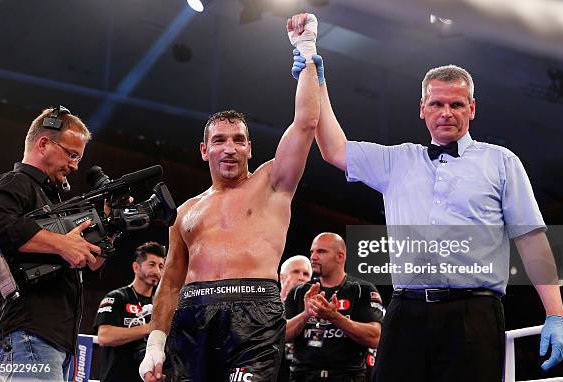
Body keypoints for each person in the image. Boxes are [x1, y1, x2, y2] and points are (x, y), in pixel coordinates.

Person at [291, 55, 563, 381]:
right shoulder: (396, 161)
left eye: (457, 104)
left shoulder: (501, 162)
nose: (446, 113)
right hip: (406, 311)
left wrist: (556, 314)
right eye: (437, 103)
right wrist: (317, 82)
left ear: (472, 109)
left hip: (474, 312)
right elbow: (333, 149)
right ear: (422, 108)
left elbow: (531, 239)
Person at [139, 13, 321, 382]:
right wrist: (155, 344)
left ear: (250, 148)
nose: (230, 148)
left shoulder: (272, 184)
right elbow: (171, 281)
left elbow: (306, 122)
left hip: (253, 314)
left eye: (239, 140)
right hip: (191, 317)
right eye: (220, 141)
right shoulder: (187, 211)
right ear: (204, 150)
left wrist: (306, 49)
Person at [0, 106, 103, 381]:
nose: (75, 165)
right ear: (43, 144)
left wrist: (111, 225)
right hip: (27, 335)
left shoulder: (53, 201)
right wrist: (61, 244)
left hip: (51, 341)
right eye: (71, 154)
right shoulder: (18, 182)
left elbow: (93, 263)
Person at [285, 233, 384, 382]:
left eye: (321, 251)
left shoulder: (362, 290)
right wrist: (306, 314)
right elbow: (281, 335)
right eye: (312, 251)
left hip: (347, 377)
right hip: (302, 376)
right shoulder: (298, 292)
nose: (313, 257)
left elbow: (376, 337)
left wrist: (335, 317)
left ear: (340, 256)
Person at [94, 241, 165, 382]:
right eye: (151, 264)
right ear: (136, 267)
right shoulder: (117, 297)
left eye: (161, 266)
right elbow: (104, 336)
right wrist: (151, 328)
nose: (157, 271)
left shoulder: (160, 305)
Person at [277, 255, 312, 382]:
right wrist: (283, 298)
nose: (301, 277)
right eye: (296, 272)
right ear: (282, 277)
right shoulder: (267, 304)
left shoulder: (316, 309)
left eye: (306, 274)